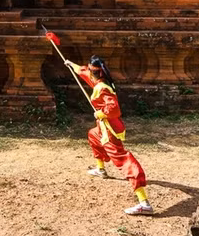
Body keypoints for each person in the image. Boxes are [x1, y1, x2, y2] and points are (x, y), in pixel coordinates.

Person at [63, 54, 154, 215]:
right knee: (92, 135)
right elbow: (83, 71)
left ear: (95, 73)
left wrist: (101, 114)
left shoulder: (102, 88)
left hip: (109, 129)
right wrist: (71, 64)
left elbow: (114, 109)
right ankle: (101, 169)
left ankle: (144, 202)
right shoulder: (99, 81)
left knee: (123, 159)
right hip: (102, 128)